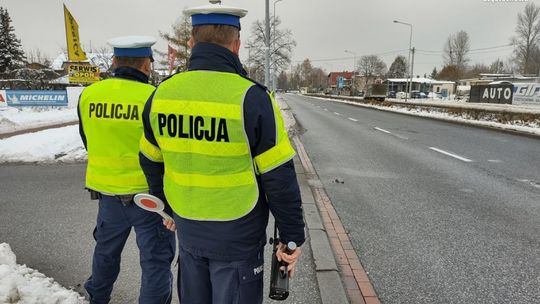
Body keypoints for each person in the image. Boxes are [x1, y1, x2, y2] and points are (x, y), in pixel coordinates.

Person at [139, 3, 305, 304]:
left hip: (188, 229)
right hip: (238, 237)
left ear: (191, 43)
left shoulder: (160, 95)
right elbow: (279, 177)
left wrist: (166, 207)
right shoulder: (253, 99)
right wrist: (291, 239)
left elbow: (150, 159)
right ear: (236, 44)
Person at [77, 36, 176, 304]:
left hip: (108, 195)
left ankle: (97, 299)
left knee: (105, 253)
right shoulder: (155, 97)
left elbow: (88, 140)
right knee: (155, 262)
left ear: (114, 61)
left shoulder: (89, 94)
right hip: (150, 199)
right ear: (146, 65)